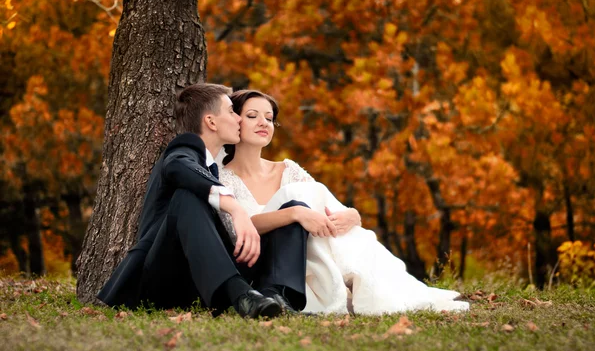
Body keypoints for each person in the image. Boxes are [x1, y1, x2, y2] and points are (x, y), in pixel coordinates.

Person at [217, 89, 470, 315]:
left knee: (307, 196)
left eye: (269, 118)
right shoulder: (222, 178)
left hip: (311, 255)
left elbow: (323, 201)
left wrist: (352, 215)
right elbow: (236, 230)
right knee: (295, 201)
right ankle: (343, 285)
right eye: (252, 116)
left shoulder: (288, 169)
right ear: (235, 121)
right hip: (265, 264)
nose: (264, 123)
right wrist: (294, 213)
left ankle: (363, 282)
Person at [97, 83, 310, 318]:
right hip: (163, 278)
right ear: (211, 122)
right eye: (231, 112)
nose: (239, 119)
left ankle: (276, 298)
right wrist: (235, 208)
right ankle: (241, 295)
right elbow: (176, 166)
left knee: (291, 208)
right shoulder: (185, 150)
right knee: (186, 197)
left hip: (203, 279)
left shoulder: (214, 167)